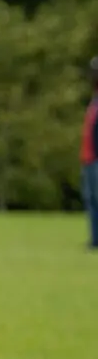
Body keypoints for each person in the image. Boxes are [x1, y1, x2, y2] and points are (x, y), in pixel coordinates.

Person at [81, 56, 96, 252]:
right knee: (91, 198)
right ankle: (95, 239)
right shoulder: (94, 101)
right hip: (89, 158)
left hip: (95, 159)